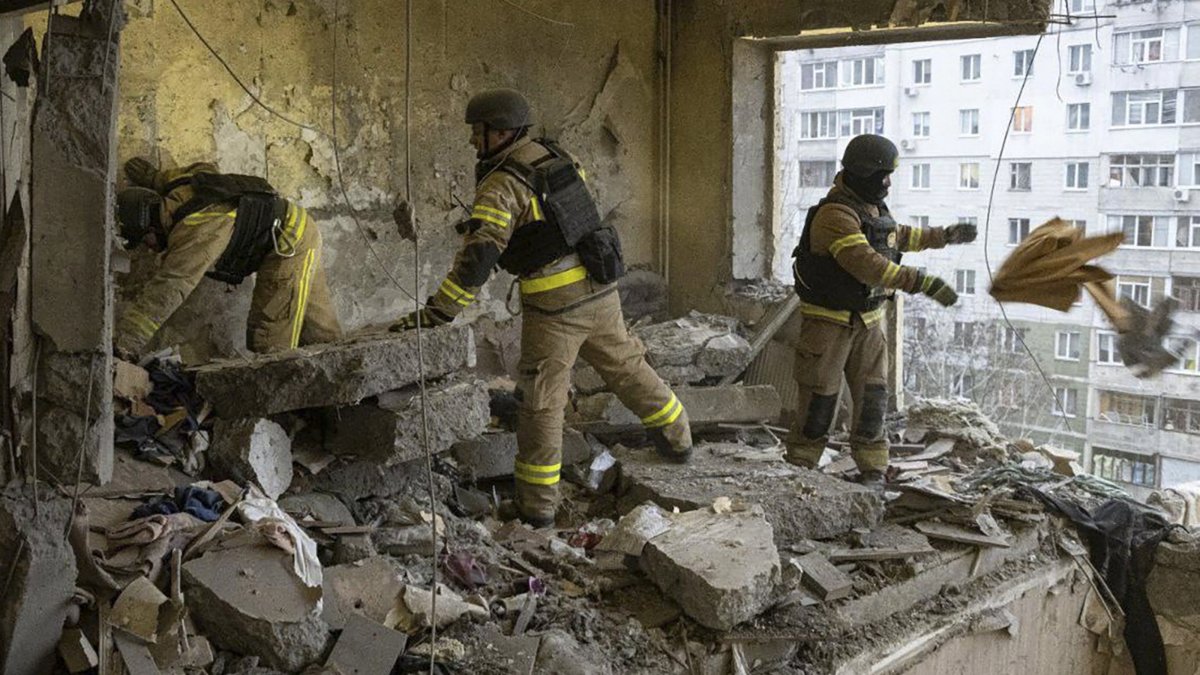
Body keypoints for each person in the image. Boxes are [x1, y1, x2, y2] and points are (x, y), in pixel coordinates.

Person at [391, 88, 691, 526]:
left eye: (478, 131)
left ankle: (536, 507)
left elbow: (478, 260)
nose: (472, 140)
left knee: (541, 402)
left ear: (501, 132)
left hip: (556, 309)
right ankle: (679, 437)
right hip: (601, 290)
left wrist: (440, 312)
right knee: (627, 367)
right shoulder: (557, 156)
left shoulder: (501, 184)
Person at [787, 134, 975, 487]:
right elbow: (868, 265)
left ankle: (873, 467)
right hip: (828, 326)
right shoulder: (834, 215)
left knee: (873, 401)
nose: (887, 183)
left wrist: (944, 236)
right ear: (861, 173)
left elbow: (897, 236)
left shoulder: (872, 209)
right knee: (819, 403)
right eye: (882, 175)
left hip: (870, 324)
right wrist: (921, 282)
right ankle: (800, 469)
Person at [114, 157, 342, 356]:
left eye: (145, 241)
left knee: (270, 340)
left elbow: (171, 286)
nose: (149, 248)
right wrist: (155, 178)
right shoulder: (181, 187)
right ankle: (342, 380)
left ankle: (284, 392)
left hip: (286, 245)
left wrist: (127, 341)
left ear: (151, 227)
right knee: (320, 330)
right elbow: (204, 168)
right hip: (300, 227)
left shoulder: (195, 232)